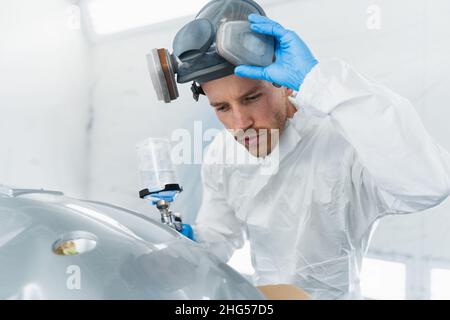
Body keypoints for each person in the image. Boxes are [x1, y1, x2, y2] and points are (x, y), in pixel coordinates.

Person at [181, 13, 450, 299]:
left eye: (251, 98)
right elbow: (220, 236)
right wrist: (188, 243)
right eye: (222, 107)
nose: (240, 123)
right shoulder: (222, 153)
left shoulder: (343, 142)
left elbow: (428, 185)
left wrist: (317, 80)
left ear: (283, 82)